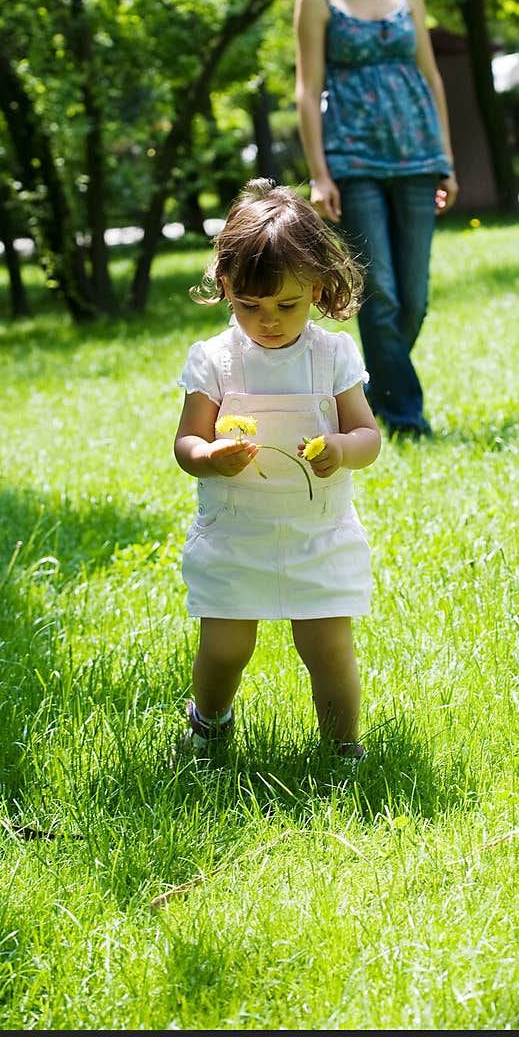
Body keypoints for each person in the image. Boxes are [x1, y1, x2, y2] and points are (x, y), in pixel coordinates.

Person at [173, 177, 382, 762]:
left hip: (317, 531)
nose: (268, 321)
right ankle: (208, 725)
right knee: (224, 645)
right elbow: (186, 443)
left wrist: (342, 448)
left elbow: (368, 436)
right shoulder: (215, 360)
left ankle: (343, 749)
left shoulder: (332, 354)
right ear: (226, 288)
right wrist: (210, 457)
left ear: (316, 287)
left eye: (286, 305)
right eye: (250, 306)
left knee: (327, 645)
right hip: (238, 532)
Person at [294, 0, 458, 438]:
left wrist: (446, 158)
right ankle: (405, 420)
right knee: (380, 293)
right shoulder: (315, 0)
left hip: (416, 156)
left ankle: (361, 392)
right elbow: (307, 91)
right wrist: (320, 173)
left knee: (413, 299)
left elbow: (432, 77)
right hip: (354, 161)